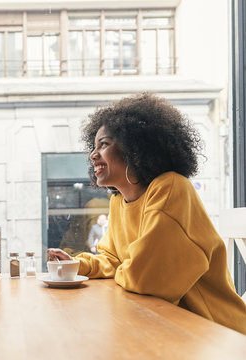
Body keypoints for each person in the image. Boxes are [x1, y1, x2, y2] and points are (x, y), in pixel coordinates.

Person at [48, 93, 246, 334]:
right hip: (166, 327)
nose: (93, 154)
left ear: (134, 149)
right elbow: (113, 260)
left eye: (104, 144)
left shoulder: (171, 188)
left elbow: (147, 280)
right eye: (94, 146)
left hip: (215, 332)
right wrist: (77, 265)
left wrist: (127, 267)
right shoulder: (118, 202)